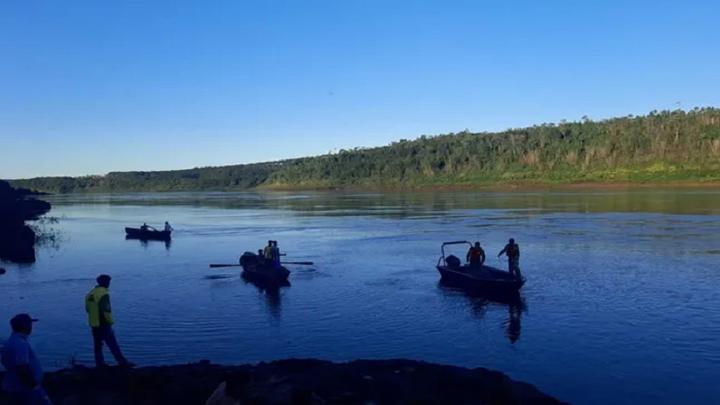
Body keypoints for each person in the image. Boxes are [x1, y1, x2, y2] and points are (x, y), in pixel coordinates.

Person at [1, 313, 53, 405]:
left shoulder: (12, 341)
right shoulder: (20, 343)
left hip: (16, 387)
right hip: (24, 389)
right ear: (25, 326)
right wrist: (33, 386)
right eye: (30, 324)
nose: (31, 327)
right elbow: (22, 368)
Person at [85, 274, 133, 368]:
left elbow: (87, 309)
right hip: (104, 323)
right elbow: (105, 309)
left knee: (98, 345)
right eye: (108, 282)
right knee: (112, 343)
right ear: (105, 282)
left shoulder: (90, 293)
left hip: (94, 323)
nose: (109, 283)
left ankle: (99, 364)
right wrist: (110, 321)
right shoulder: (103, 293)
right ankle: (122, 362)